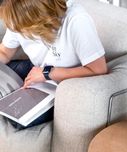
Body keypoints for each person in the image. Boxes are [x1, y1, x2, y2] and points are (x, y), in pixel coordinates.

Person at [0, 0, 107, 129]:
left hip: (64, 84)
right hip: (36, 72)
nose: (19, 30)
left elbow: (99, 69)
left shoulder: (76, 20)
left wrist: (47, 73)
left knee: (17, 121)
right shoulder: (17, 15)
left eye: (24, 27)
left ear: (39, 18)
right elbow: (5, 53)